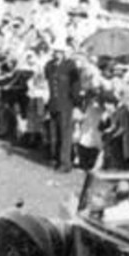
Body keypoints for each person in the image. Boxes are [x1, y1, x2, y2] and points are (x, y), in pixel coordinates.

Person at [45, 42, 81, 173]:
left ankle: (65, 163)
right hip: (53, 103)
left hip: (66, 104)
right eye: (55, 51)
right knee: (55, 133)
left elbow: (76, 86)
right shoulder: (49, 65)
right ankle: (56, 158)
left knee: (65, 134)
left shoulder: (70, 66)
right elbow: (48, 82)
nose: (56, 54)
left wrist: (77, 104)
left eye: (59, 52)